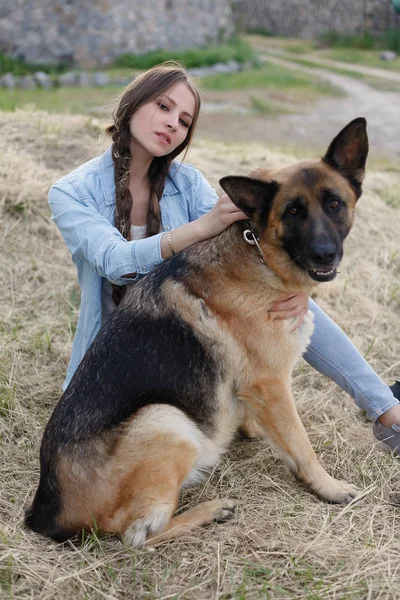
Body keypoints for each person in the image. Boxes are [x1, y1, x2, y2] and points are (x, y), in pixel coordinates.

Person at [48, 62, 400, 454]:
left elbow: (248, 245)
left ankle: (386, 409)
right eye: (163, 107)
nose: (171, 125)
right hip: (121, 366)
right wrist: (201, 227)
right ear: (132, 103)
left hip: (192, 341)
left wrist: (302, 285)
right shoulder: (70, 192)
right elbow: (114, 261)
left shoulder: (188, 182)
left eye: (184, 121)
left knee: (291, 307)